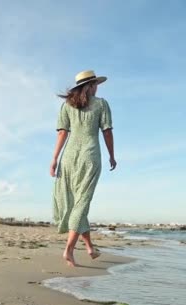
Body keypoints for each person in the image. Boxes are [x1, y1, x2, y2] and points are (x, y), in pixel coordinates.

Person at [50, 70, 117, 267]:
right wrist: (112, 155)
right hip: (90, 157)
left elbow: (62, 133)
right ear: (89, 86)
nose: (97, 88)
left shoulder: (66, 105)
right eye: (95, 84)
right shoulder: (101, 104)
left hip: (68, 158)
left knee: (77, 203)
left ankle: (89, 247)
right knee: (82, 203)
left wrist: (54, 158)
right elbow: (107, 132)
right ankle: (69, 249)